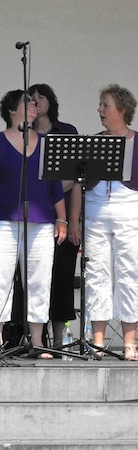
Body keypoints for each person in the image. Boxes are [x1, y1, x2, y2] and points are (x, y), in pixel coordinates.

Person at [0, 90, 66, 359]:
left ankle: (37, 340)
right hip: (1, 221)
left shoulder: (46, 142)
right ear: (13, 110)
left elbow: (55, 186)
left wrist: (61, 218)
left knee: (39, 280)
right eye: (27, 101)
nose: (33, 104)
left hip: (41, 222)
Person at [69, 84, 138, 361]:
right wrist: (73, 219)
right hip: (96, 211)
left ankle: (130, 342)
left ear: (122, 110)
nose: (100, 109)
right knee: (97, 274)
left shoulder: (137, 141)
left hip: (130, 211)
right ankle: (98, 341)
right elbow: (77, 183)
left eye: (105, 104)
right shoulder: (93, 141)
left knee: (129, 274)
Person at [29, 83, 79, 346]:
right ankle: (31, 337)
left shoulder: (67, 132)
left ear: (51, 101)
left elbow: (76, 179)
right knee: (33, 278)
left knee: (61, 278)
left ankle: (59, 339)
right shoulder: (23, 135)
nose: (36, 101)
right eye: (31, 98)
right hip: (33, 215)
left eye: (41, 97)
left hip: (62, 214)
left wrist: (73, 220)